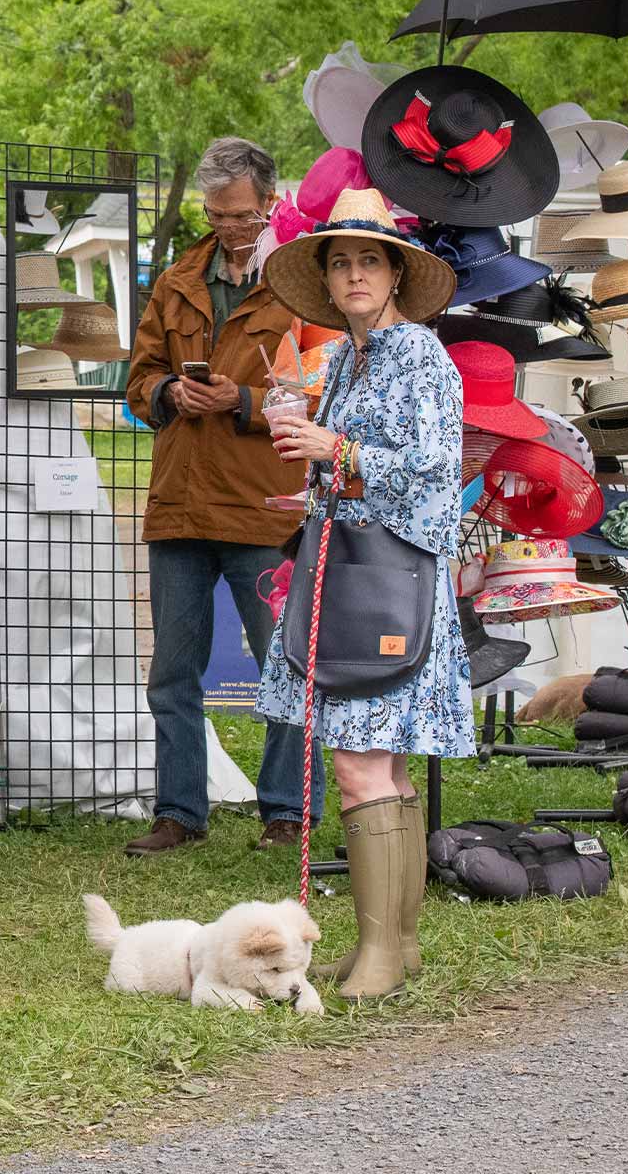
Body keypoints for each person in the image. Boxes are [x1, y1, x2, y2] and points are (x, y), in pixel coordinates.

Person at [256, 186, 473, 1001]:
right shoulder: (344, 358)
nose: (353, 274)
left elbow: (433, 469)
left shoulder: (419, 354)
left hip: (390, 587)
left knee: (358, 769)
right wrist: (318, 482)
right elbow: (362, 467)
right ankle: (399, 945)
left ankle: (381, 954)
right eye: (339, 261)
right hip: (358, 577)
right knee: (389, 771)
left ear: (394, 274)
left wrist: (333, 447)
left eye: (368, 261)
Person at [122, 137, 325, 857]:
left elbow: (326, 390)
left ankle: (289, 811)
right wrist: (167, 390)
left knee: (287, 666)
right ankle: (178, 812)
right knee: (172, 671)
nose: (230, 228)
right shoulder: (177, 277)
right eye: (217, 215)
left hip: (264, 505)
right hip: (179, 502)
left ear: (269, 202)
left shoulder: (303, 280)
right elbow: (137, 380)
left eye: (240, 215)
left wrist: (243, 399)